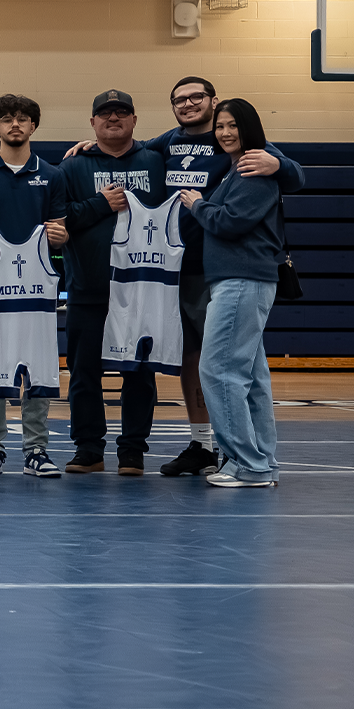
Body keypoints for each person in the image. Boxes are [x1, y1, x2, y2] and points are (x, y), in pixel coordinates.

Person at [131, 76, 298, 476]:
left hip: (235, 272)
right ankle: (242, 453)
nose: (188, 104)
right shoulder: (171, 142)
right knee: (242, 369)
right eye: (179, 99)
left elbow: (286, 179)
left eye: (196, 98)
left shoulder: (253, 160)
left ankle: (244, 459)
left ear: (213, 100)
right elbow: (132, 148)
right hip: (189, 269)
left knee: (220, 368)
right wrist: (93, 147)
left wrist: (278, 164)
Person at [178, 99, 287, 488]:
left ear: (249, 128)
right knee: (252, 377)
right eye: (220, 126)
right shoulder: (235, 170)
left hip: (242, 279)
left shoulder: (254, 169)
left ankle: (246, 463)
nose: (224, 133)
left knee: (218, 369)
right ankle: (261, 462)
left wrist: (197, 205)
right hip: (239, 280)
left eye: (232, 126)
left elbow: (232, 222)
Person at [59, 90, 170, 475]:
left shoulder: (157, 161)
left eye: (122, 112)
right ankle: (88, 449)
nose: (113, 118)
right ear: (92, 123)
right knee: (84, 373)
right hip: (89, 288)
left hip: (142, 289)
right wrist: (99, 204)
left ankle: (132, 452)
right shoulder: (73, 166)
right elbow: (59, 220)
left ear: (135, 120)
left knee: (139, 372)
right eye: (105, 114)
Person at [0, 94, 69, 478]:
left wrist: (60, 236)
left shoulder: (53, 175)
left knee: (38, 371)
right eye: (7, 119)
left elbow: (60, 230)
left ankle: (36, 449)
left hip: (38, 289)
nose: (15, 125)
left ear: (33, 126)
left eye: (23, 118)